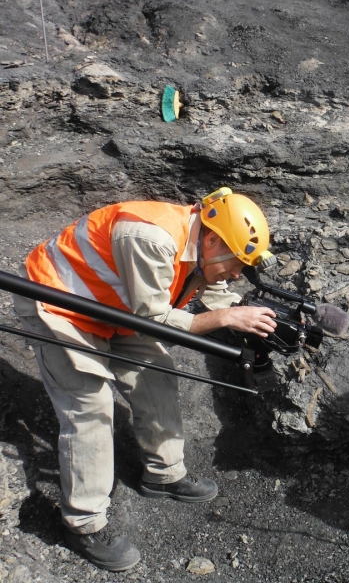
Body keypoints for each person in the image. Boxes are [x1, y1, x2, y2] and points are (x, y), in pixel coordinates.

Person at [12, 187, 279, 571]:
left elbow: (212, 288)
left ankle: (163, 474)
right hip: (58, 301)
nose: (237, 275)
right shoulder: (148, 236)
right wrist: (223, 319)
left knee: (157, 374)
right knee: (90, 406)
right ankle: (84, 523)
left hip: (114, 308)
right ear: (212, 238)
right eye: (236, 263)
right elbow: (154, 320)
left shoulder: (201, 248)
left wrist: (252, 315)